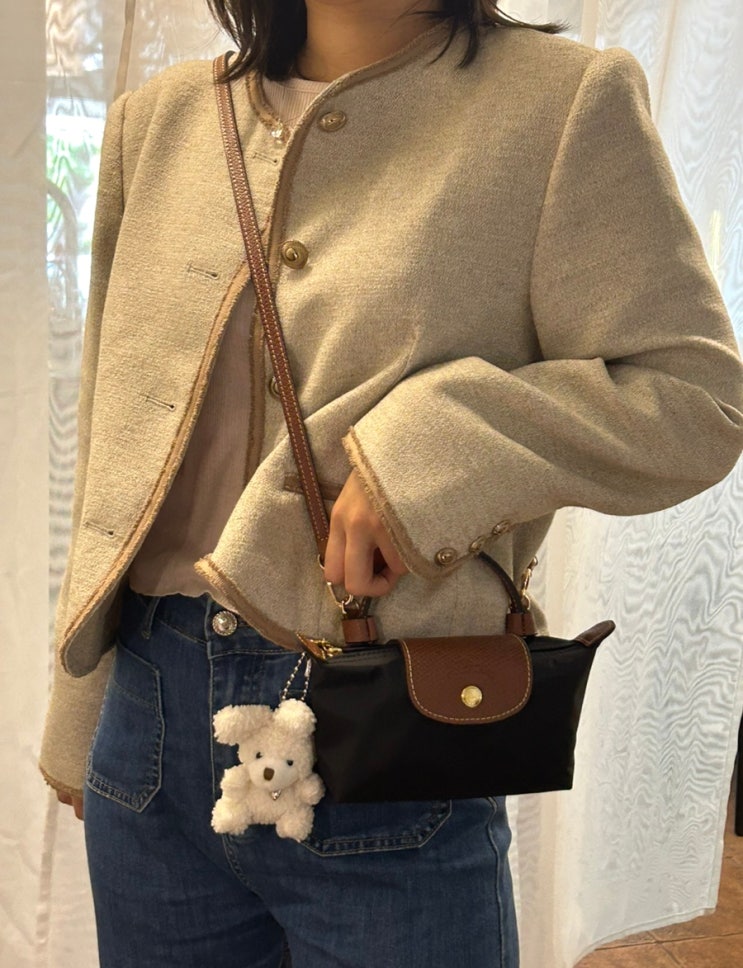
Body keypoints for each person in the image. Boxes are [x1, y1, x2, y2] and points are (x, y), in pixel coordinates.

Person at [40, 1, 743, 966]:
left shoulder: (559, 105)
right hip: (148, 724)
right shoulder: (159, 121)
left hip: (388, 719)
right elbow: (115, 437)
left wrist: (429, 452)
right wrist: (78, 713)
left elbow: (695, 401)